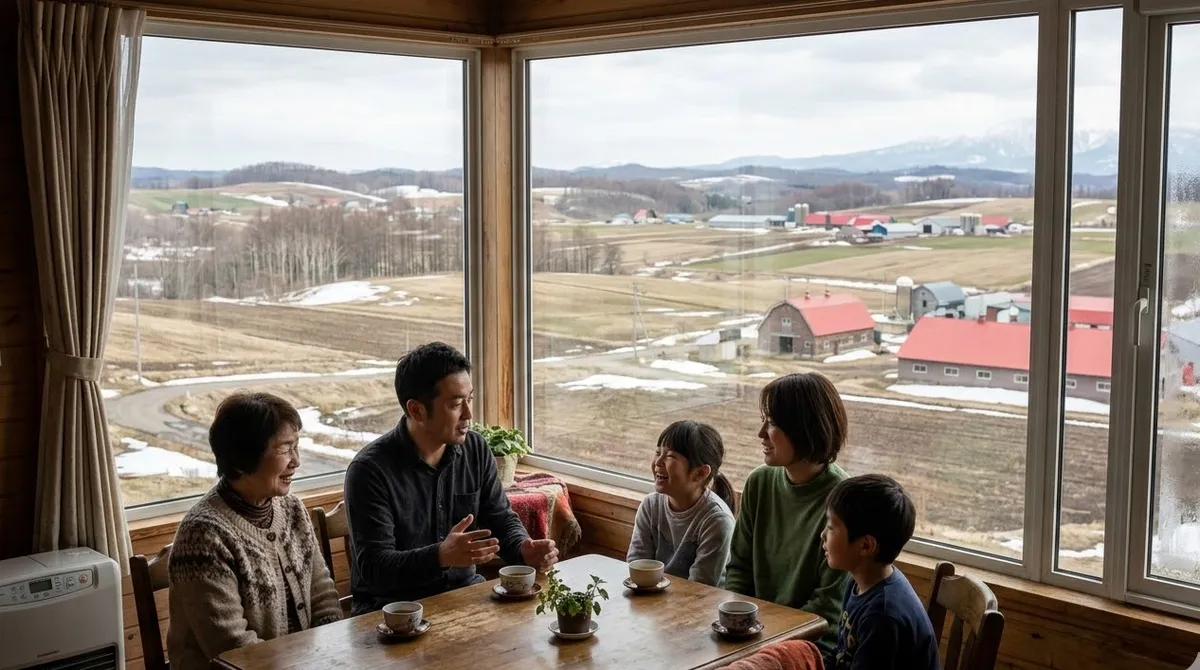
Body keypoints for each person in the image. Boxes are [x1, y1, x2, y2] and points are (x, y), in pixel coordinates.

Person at [345, 342, 558, 614]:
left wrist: (522, 548)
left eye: (469, 399)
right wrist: (440, 557)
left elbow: (500, 518)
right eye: (456, 404)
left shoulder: (476, 449)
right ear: (417, 410)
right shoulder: (370, 471)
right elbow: (374, 567)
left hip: (466, 599)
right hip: (391, 615)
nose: (469, 414)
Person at [167, 392, 341, 670]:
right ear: (242, 459)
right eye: (285, 448)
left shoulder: (293, 509)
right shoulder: (203, 537)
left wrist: (328, 652)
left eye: (297, 446)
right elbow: (232, 648)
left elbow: (322, 596)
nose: (296, 461)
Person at [724, 372, 851, 655]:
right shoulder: (759, 482)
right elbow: (738, 568)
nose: (761, 434)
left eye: (772, 424)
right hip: (750, 636)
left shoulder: (843, 500)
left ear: (803, 428)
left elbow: (827, 605)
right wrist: (736, 622)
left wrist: (759, 642)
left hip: (809, 645)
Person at [821, 474, 940, 670]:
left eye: (831, 526)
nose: (823, 534)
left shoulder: (883, 616)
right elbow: (842, 656)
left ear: (866, 546)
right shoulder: (860, 582)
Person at [626, 420, 736, 586]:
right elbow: (637, 566)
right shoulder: (650, 506)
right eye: (657, 453)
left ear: (700, 473)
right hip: (653, 601)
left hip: (700, 606)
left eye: (670, 456)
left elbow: (699, 588)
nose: (658, 462)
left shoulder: (717, 520)